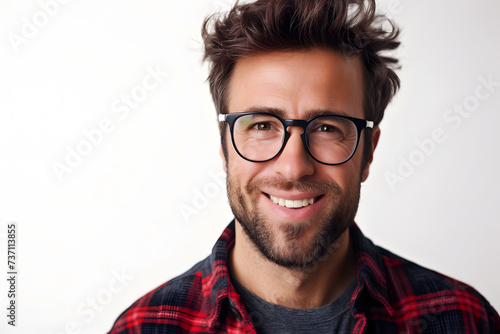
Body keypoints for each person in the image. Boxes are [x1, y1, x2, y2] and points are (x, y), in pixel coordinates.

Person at [108, 0, 500, 333]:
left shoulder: (464, 319)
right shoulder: (144, 326)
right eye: (262, 125)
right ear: (225, 144)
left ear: (368, 151)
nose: (294, 167)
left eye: (328, 127)